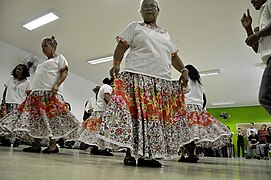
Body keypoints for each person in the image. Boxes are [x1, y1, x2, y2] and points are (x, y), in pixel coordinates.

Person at [96, 0, 188, 167]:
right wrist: (116, 63)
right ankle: (130, 153)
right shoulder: (135, 27)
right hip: (137, 77)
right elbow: (121, 46)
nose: (148, 9)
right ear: (141, 12)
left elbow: (173, 56)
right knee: (135, 116)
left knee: (154, 119)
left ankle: (148, 156)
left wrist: (183, 70)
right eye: (144, 7)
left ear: (158, 10)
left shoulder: (165, 34)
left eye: (152, 6)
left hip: (160, 81)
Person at [5, 36, 80, 154]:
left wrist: (56, 85)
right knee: (37, 119)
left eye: (45, 45)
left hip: (50, 93)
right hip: (37, 94)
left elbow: (64, 72)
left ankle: (53, 145)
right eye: (42, 46)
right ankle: (36, 145)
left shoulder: (60, 58)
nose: (43, 48)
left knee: (51, 119)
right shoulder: (44, 62)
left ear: (53, 46)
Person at [178, 64, 231, 163]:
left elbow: (181, 93)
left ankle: (191, 155)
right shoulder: (199, 84)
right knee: (193, 135)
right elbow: (204, 98)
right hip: (198, 109)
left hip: (187, 108)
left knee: (184, 133)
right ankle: (192, 154)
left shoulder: (185, 81)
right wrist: (202, 110)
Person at [241, 0, 271, 115]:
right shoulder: (263, 14)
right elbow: (257, 48)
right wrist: (249, 29)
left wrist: (257, 34)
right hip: (268, 60)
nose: (251, 1)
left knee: (265, 96)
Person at [79, 77, 114, 156]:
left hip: (99, 110)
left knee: (98, 131)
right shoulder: (108, 87)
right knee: (103, 130)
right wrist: (113, 106)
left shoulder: (104, 86)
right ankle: (102, 149)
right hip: (102, 111)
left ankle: (99, 148)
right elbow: (106, 96)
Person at [0, 64, 31, 146]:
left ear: (24, 71)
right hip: (8, 103)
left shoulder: (27, 82)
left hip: (20, 105)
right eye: (17, 69)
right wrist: (3, 101)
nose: (18, 70)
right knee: (6, 123)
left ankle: (16, 140)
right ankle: (5, 140)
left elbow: (28, 95)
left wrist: (27, 106)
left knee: (16, 123)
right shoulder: (10, 79)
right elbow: (6, 90)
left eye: (20, 69)